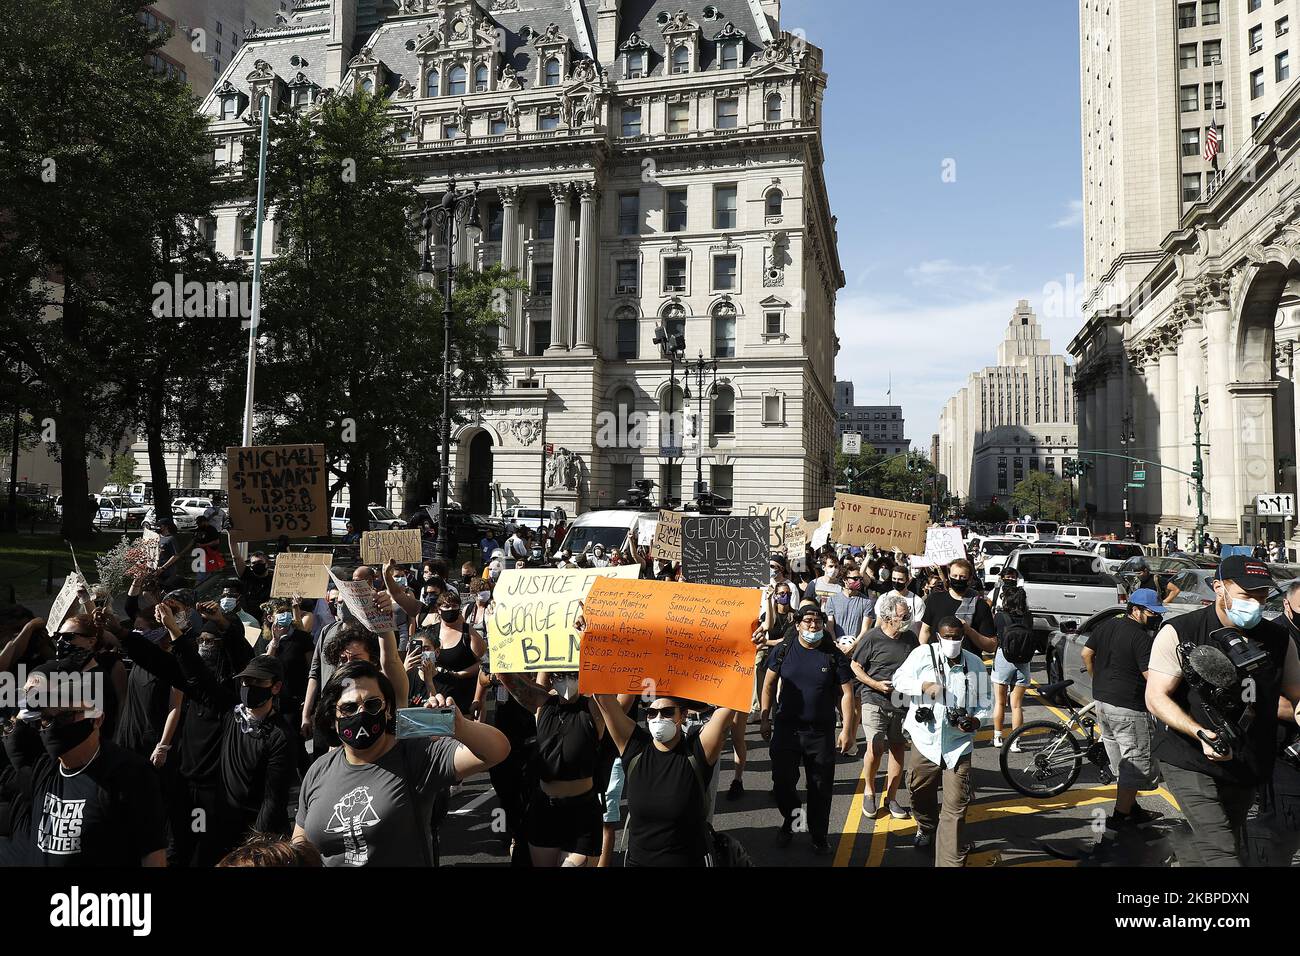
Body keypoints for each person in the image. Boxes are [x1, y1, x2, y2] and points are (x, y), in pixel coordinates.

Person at [1145, 555, 1300, 865]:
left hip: (1247, 759)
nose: (1255, 603)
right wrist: (1199, 732)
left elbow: (1297, 698)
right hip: (1190, 757)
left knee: (1224, 836)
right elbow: (1156, 697)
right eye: (1246, 595)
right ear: (1219, 588)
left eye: (1261, 595)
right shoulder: (1180, 631)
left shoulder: (1280, 639)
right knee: (1221, 849)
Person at [294, 660, 509, 866]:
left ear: (387, 710)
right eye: (349, 708)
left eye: (372, 704)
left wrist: (460, 727)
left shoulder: (417, 755)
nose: (362, 714)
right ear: (333, 717)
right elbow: (300, 843)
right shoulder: (319, 770)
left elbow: (497, 750)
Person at [0, 660, 167, 866]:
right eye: (45, 719)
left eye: (65, 716)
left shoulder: (129, 774)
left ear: (96, 719)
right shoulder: (44, 769)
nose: (52, 726)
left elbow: (153, 856)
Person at [592, 692, 734, 866]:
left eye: (667, 712)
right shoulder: (634, 746)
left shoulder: (698, 751)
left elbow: (733, 698)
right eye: (651, 712)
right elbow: (602, 697)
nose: (658, 718)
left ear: (682, 715)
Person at [893, 616, 992, 866]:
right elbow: (898, 681)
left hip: (958, 747)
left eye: (956, 637)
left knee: (955, 807)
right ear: (938, 636)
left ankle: (949, 862)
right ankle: (926, 826)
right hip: (925, 740)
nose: (952, 641)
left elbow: (986, 702)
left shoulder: (975, 664)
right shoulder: (922, 655)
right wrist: (923, 685)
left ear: (963, 636)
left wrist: (976, 721)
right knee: (918, 790)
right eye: (946, 637)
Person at [761, 605, 854, 855]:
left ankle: (818, 835)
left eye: (818, 622)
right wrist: (764, 717)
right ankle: (791, 821)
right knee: (782, 783)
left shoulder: (833, 655)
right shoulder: (783, 650)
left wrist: (847, 729)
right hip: (786, 730)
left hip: (820, 734)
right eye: (808, 621)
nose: (813, 626)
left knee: (820, 787)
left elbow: (846, 693)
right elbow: (769, 683)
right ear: (798, 624)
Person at [496, 671, 606, 867]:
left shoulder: (593, 707)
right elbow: (509, 679)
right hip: (545, 809)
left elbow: (607, 691)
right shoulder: (542, 704)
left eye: (572, 674)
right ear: (551, 678)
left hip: (582, 811)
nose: (566, 680)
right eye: (560, 675)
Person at [1082, 589, 1166, 829]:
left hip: (1102, 703)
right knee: (1136, 763)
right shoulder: (1141, 638)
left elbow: (1086, 653)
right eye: (1151, 612)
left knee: (1121, 761)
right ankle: (1120, 818)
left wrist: (1097, 679)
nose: (1155, 617)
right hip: (1129, 708)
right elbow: (1151, 676)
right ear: (1135, 609)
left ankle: (1132, 809)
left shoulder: (1108, 625)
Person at [851, 593, 919, 818]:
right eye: (903, 616)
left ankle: (891, 798)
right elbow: (855, 666)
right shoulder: (872, 637)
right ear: (889, 618)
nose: (907, 618)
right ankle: (869, 791)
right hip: (874, 699)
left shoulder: (910, 638)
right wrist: (876, 685)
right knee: (876, 747)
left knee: (898, 748)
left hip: (901, 702)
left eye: (908, 614)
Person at [917, 559, 997, 655]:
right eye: (954, 576)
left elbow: (991, 646)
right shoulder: (934, 600)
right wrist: (923, 654)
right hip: (937, 663)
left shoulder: (980, 606)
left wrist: (969, 631)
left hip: (967, 664)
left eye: (962, 577)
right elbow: (925, 631)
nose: (958, 579)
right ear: (949, 577)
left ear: (970, 579)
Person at [990, 582, 1035, 749]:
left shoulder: (1000, 617)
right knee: (1016, 705)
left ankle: (997, 737)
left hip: (1003, 658)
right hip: (1023, 661)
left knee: (1000, 702)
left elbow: (994, 635)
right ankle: (1015, 741)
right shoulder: (1029, 617)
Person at [229, 539, 273, 610]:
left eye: (260, 562)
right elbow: (236, 557)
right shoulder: (246, 575)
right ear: (250, 566)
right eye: (254, 563)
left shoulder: (274, 580)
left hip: (268, 616)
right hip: (247, 617)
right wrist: (231, 535)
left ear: (267, 564)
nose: (257, 565)